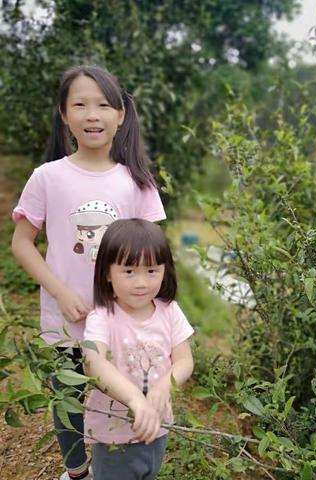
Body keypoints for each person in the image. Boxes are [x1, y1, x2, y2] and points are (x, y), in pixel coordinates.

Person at [11, 65, 166, 480]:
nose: (91, 115)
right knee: (68, 396)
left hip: (122, 319)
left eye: (102, 104)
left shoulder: (136, 181)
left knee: (120, 394)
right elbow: (22, 243)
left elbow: (154, 256)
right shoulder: (48, 177)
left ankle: (120, 465)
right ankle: (77, 472)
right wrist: (60, 292)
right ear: (64, 115)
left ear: (120, 114)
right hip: (68, 318)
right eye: (79, 104)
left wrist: (158, 313)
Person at [82, 218, 194, 480]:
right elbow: (92, 361)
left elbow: (184, 360)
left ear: (165, 270)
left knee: (148, 472)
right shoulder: (103, 316)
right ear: (108, 273)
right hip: (114, 434)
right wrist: (134, 399)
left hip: (157, 426)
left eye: (152, 271)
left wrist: (163, 386)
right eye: (129, 271)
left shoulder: (169, 311)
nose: (141, 282)